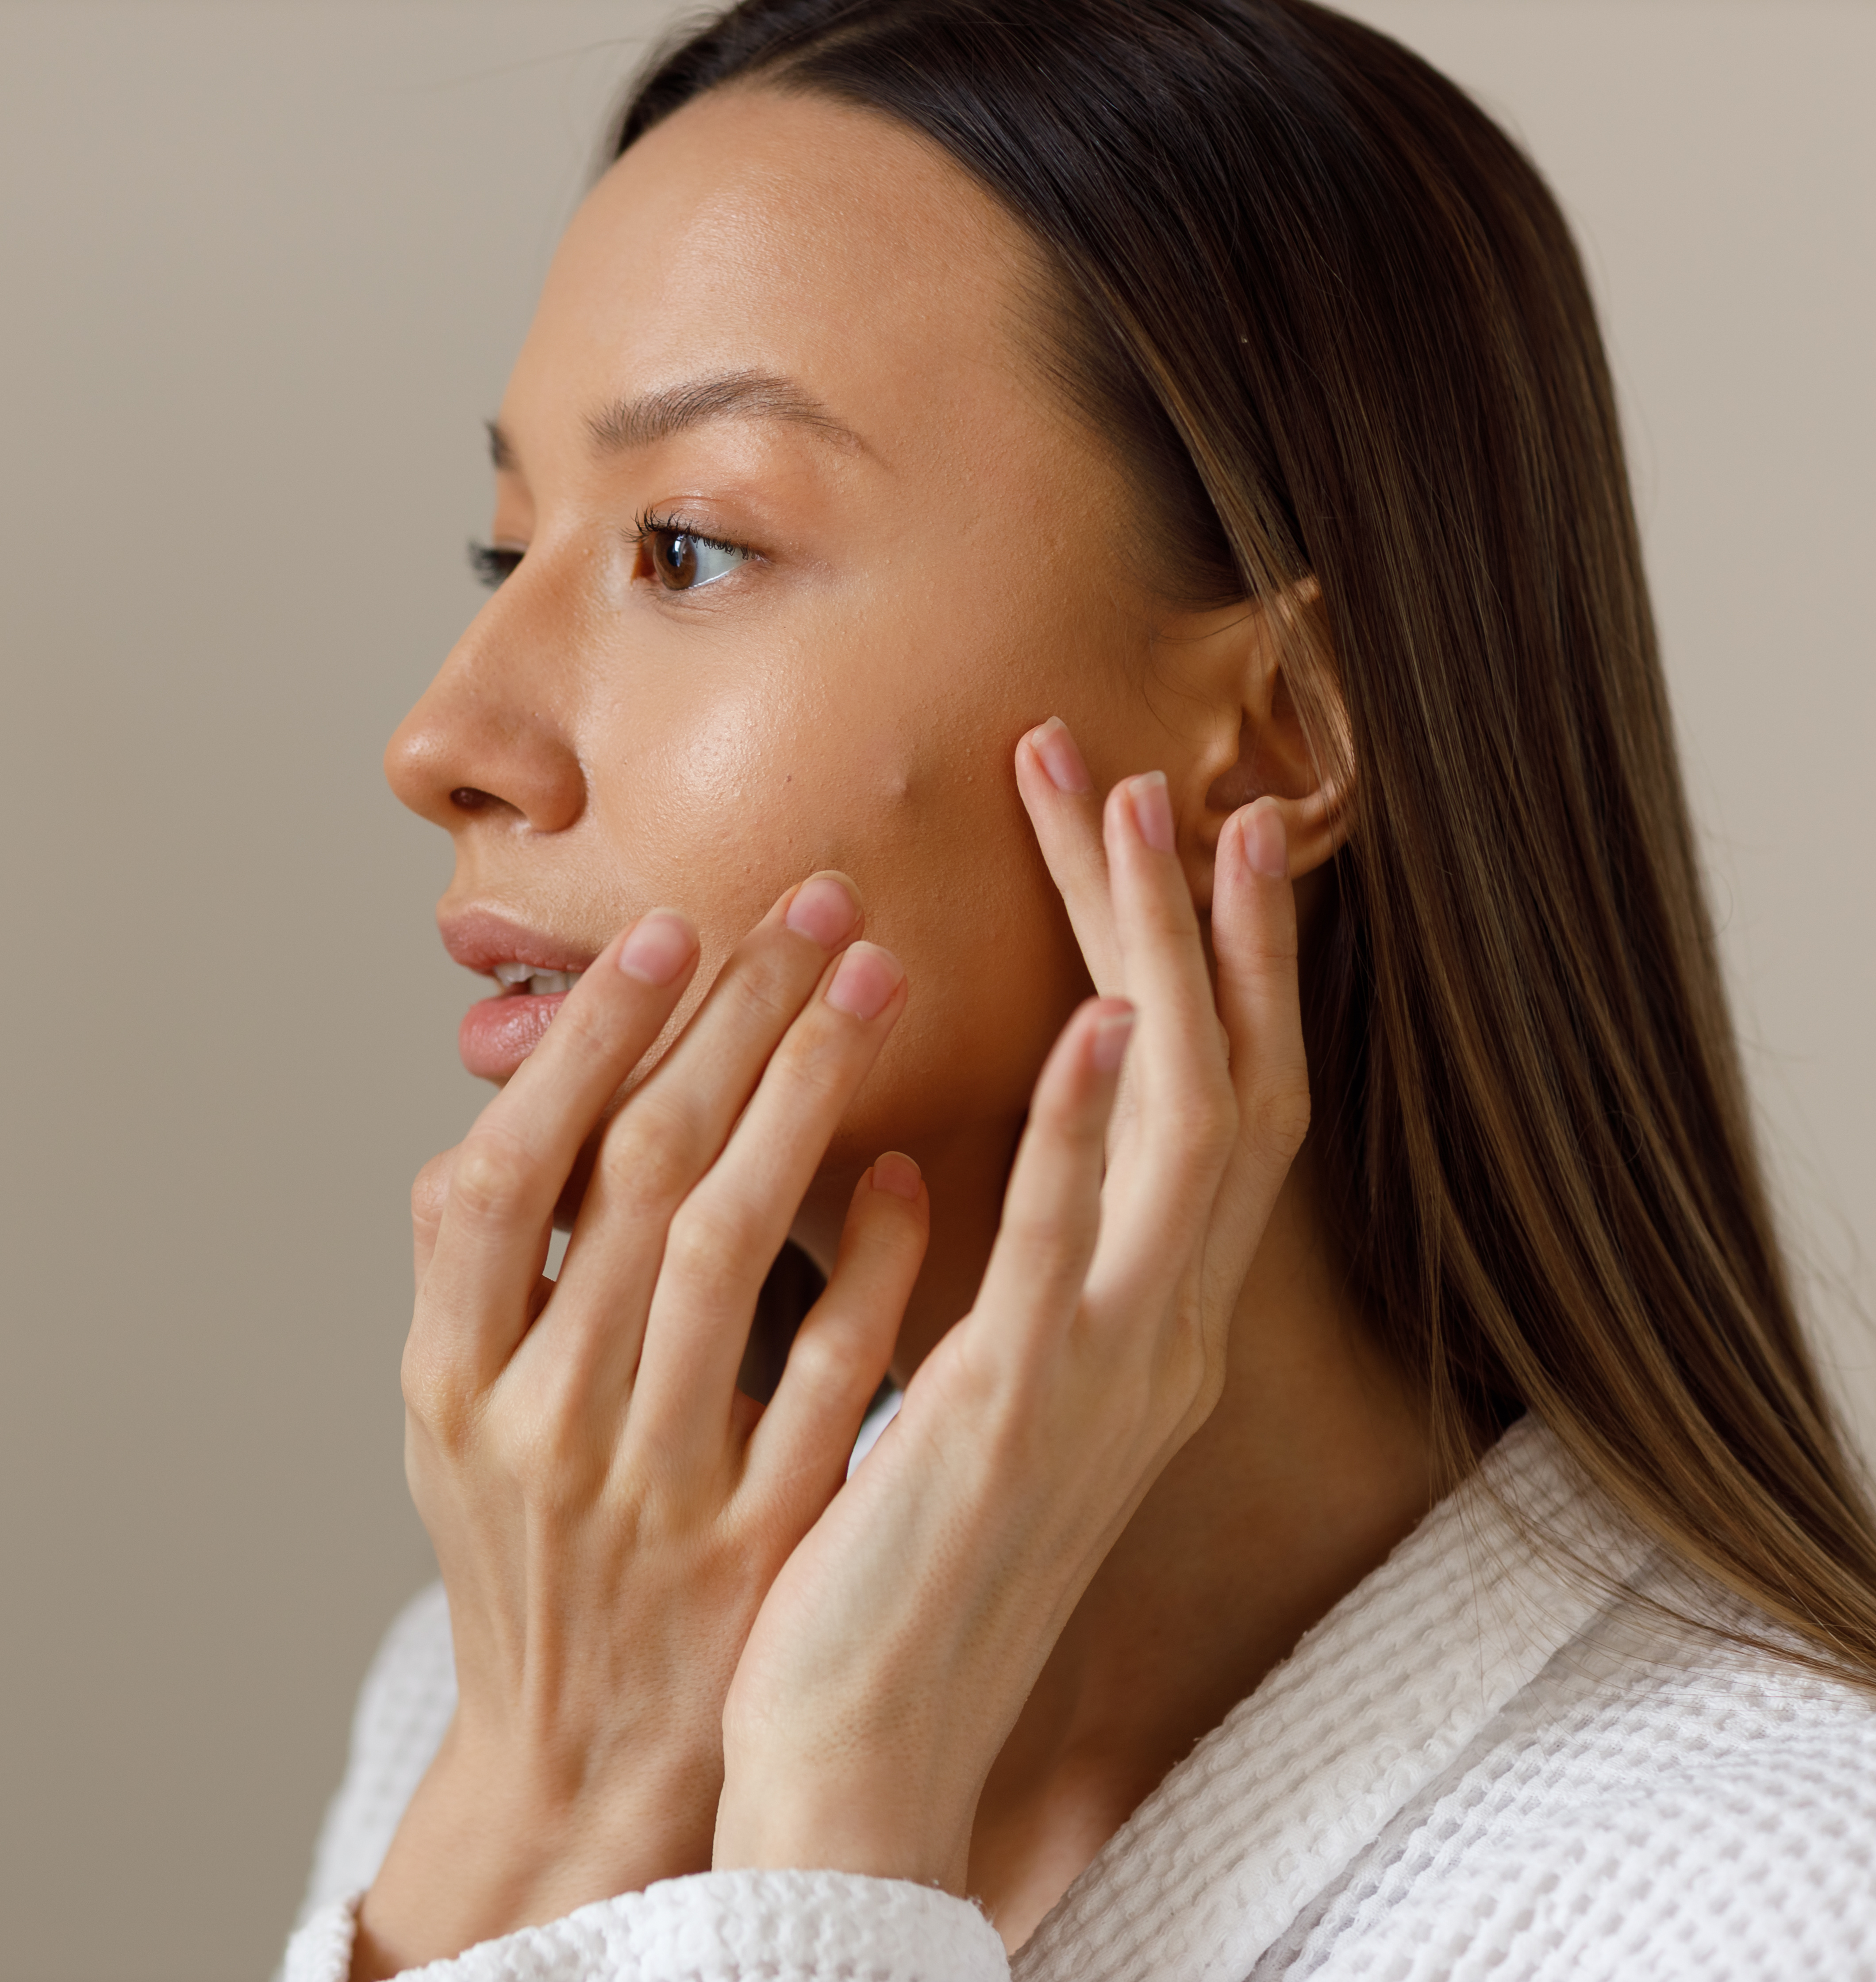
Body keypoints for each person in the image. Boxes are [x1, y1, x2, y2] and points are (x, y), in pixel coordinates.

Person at [279, 3, 1876, 1977]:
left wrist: (832, 1846)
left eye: (685, 546)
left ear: (1274, 738)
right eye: (502, 547)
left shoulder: (1766, 1898)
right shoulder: (510, 1692)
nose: (447, 739)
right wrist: (531, 1817)